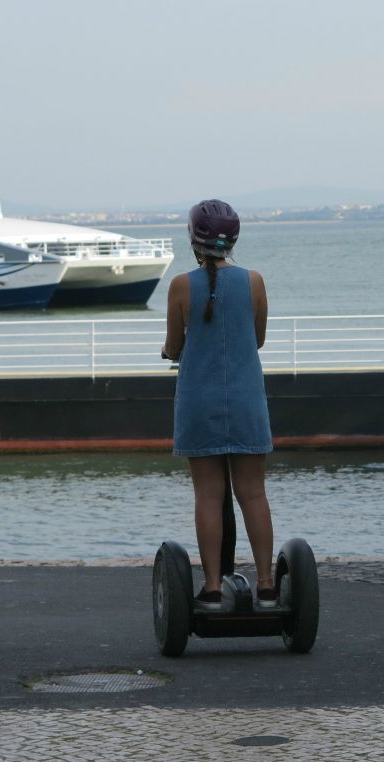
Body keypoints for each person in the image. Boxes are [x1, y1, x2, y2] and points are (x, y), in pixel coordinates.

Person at [161, 199, 276, 610]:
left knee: (208, 495)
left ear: (194, 240)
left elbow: (174, 347)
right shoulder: (254, 281)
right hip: (246, 399)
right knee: (254, 494)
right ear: (233, 240)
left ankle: (211, 587)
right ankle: (265, 584)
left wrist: (171, 348)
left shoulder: (180, 286)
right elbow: (257, 339)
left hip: (199, 402)